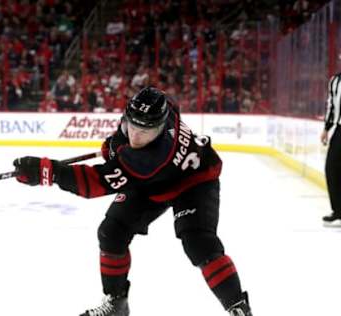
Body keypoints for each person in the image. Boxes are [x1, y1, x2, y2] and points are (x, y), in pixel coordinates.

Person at [13, 87, 253, 316]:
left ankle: (239, 308)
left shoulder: (147, 161)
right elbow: (148, 119)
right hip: (156, 183)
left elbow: (93, 184)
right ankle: (117, 303)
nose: (136, 136)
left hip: (194, 180)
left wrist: (48, 171)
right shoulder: (162, 106)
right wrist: (118, 141)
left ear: (159, 128)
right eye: (132, 126)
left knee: (198, 243)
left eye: (145, 132)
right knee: (111, 232)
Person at [321, 73, 341, 227]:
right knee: (331, 168)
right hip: (339, 129)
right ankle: (338, 210)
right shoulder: (335, 81)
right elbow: (331, 105)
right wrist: (326, 128)